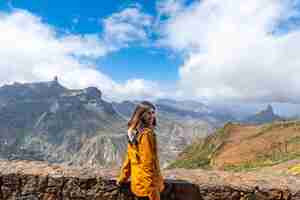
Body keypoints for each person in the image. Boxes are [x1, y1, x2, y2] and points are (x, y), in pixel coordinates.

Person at [117, 101, 165, 200]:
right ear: (141, 114)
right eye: (149, 113)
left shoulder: (132, 132)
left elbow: (129, 159)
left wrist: (122, 178)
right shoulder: (146, 134)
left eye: (153, 112)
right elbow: (148, 165)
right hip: (148, 190)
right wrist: (153, 194)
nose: (152, 116)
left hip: (137, 185)